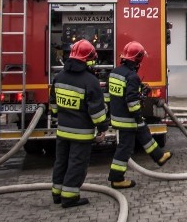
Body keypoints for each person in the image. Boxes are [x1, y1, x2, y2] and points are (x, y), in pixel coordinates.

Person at [50, 39, 109, 208]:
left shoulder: (59, 77)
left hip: (62, 131)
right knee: (77, 163)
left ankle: (57, 193)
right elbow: (96, 111)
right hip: (81, 133)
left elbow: (53, 104)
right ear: (87, 59)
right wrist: (102, 127)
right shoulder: (90, 81)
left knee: (61, 161)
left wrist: (59, 116)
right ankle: (69, 197)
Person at [107, 41, 171, 189]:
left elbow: (121, 92)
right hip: (127, 118)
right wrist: (137, 115)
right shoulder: (132, 76)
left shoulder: (115, 72)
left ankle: (159, 156)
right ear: (137, 59)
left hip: (118, 115)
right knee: (125, 148)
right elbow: (131, 100)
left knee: (143, 132)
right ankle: (116, 178)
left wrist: (139, 88)